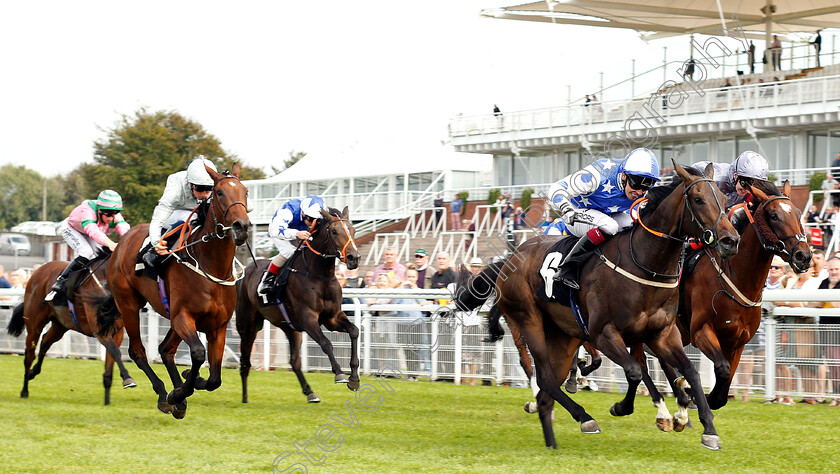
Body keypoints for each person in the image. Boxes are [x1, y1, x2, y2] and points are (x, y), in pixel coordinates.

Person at [548, 147, 661, 289]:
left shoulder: (645, 187)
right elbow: (556, 188)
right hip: (575, 214)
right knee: (610, 226)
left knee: (634, 227)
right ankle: (568, 268)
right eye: (636, 184)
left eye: (646, 187)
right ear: (624, 175)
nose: (639, 192)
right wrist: (566, 209)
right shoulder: (598, 174)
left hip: (608, 216)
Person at [45, 190, 130, 302]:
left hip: (91, 232)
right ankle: (61, 280)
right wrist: (110, 244)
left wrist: (128, 242)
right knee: (87, 253)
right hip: (73, 229)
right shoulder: (88, 211)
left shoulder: (113, 215)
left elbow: (124, 229)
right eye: (108, 214)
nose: (111, 218)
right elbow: (92, 230)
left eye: (115, 213)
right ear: (99, 210)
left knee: (102, 256)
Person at [142, 156, 218, 270]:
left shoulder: (216, 186)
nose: (205, 194)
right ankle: (153, 253)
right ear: (190, 184)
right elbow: (158, 219)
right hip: (176, 214)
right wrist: (156, 242)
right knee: (189, 217)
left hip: (198, 212)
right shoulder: (176, 190)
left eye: (209, 188)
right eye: (199, 188)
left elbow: (248, 207)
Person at [257, 195, 326, 294]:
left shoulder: (313, 214)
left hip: (300, 230)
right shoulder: (289, 211)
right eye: (311, 220)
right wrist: (296, 234)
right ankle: (267, 280)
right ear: (303, 213)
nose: (312, 224)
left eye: (317, 221)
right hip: (280, 231)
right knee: (288, 252)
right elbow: (275, 231)